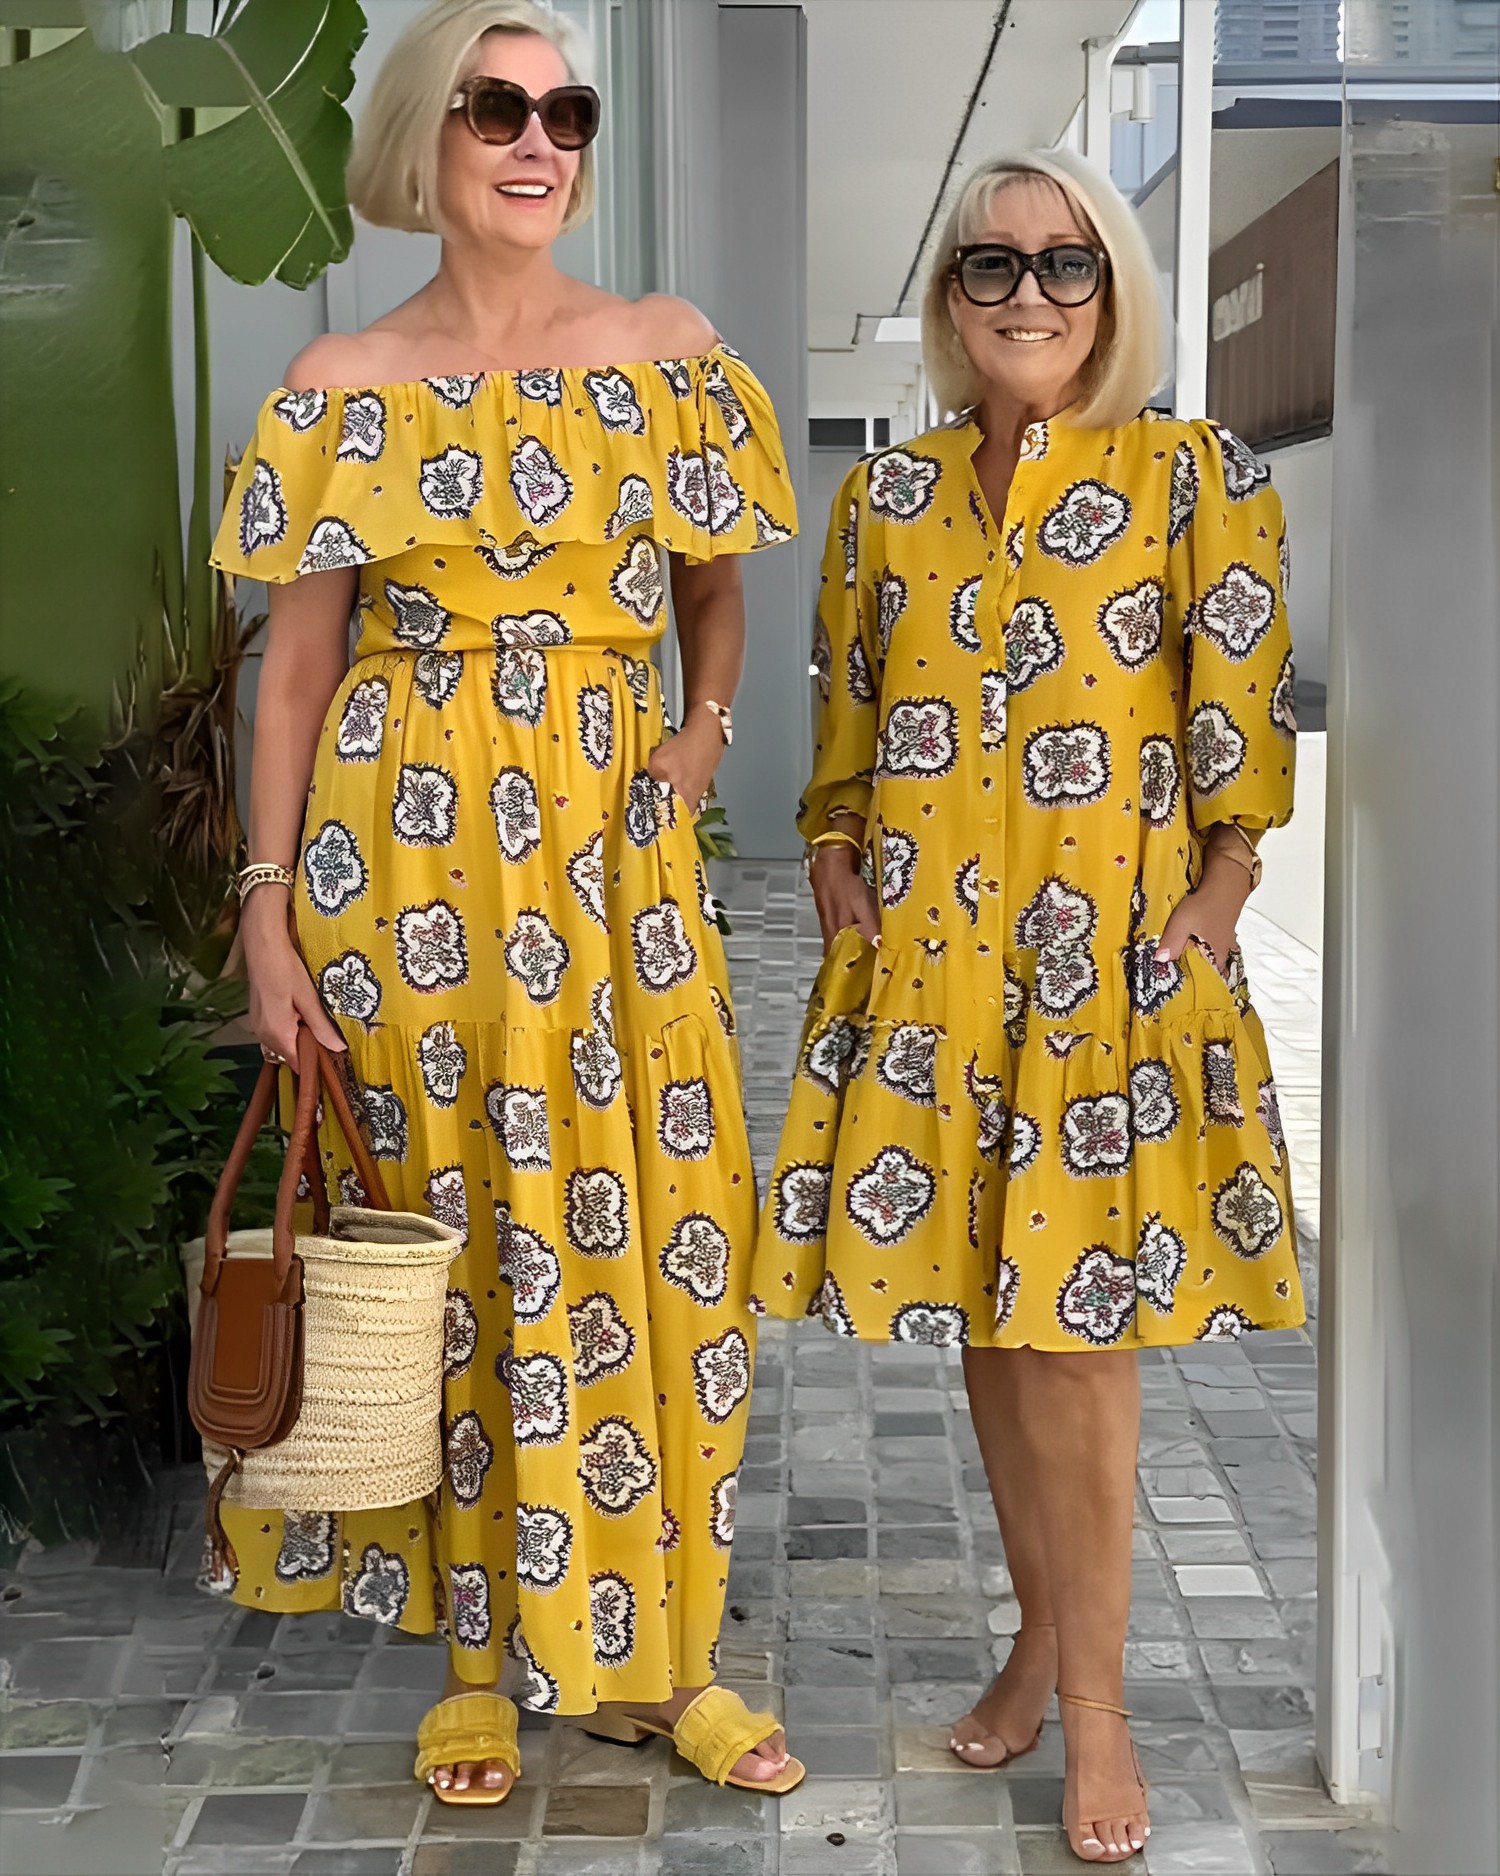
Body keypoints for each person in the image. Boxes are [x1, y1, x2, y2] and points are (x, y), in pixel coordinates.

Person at [210, 0, 803, 1807]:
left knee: (658, 1231)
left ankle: (670, 1659)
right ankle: (477, 1664)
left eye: (567, 111)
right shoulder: (342, 382)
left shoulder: (665, 352)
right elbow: (296, 674)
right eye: (496, 108)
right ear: (428, 137)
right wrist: (265, 909)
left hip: (614, 876)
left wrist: (698, 742)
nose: (538, 141)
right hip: (402, 881)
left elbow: (716, 591)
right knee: (457, 1248)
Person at [752, 147, 1300, 1864]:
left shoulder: (1191, 476)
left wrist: (1217, 900)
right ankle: (1043, 1645)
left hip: (1105, 981)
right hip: (933, 976)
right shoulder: (887, 500)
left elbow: (1243, 726)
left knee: (1076, 1338)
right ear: (951, 300)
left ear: (1114, 289)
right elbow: (845, 718)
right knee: (994, 1327)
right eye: (992, 267)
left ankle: (1103, 1712)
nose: (1032, 296)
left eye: (1068, 264)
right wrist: (833, 853)